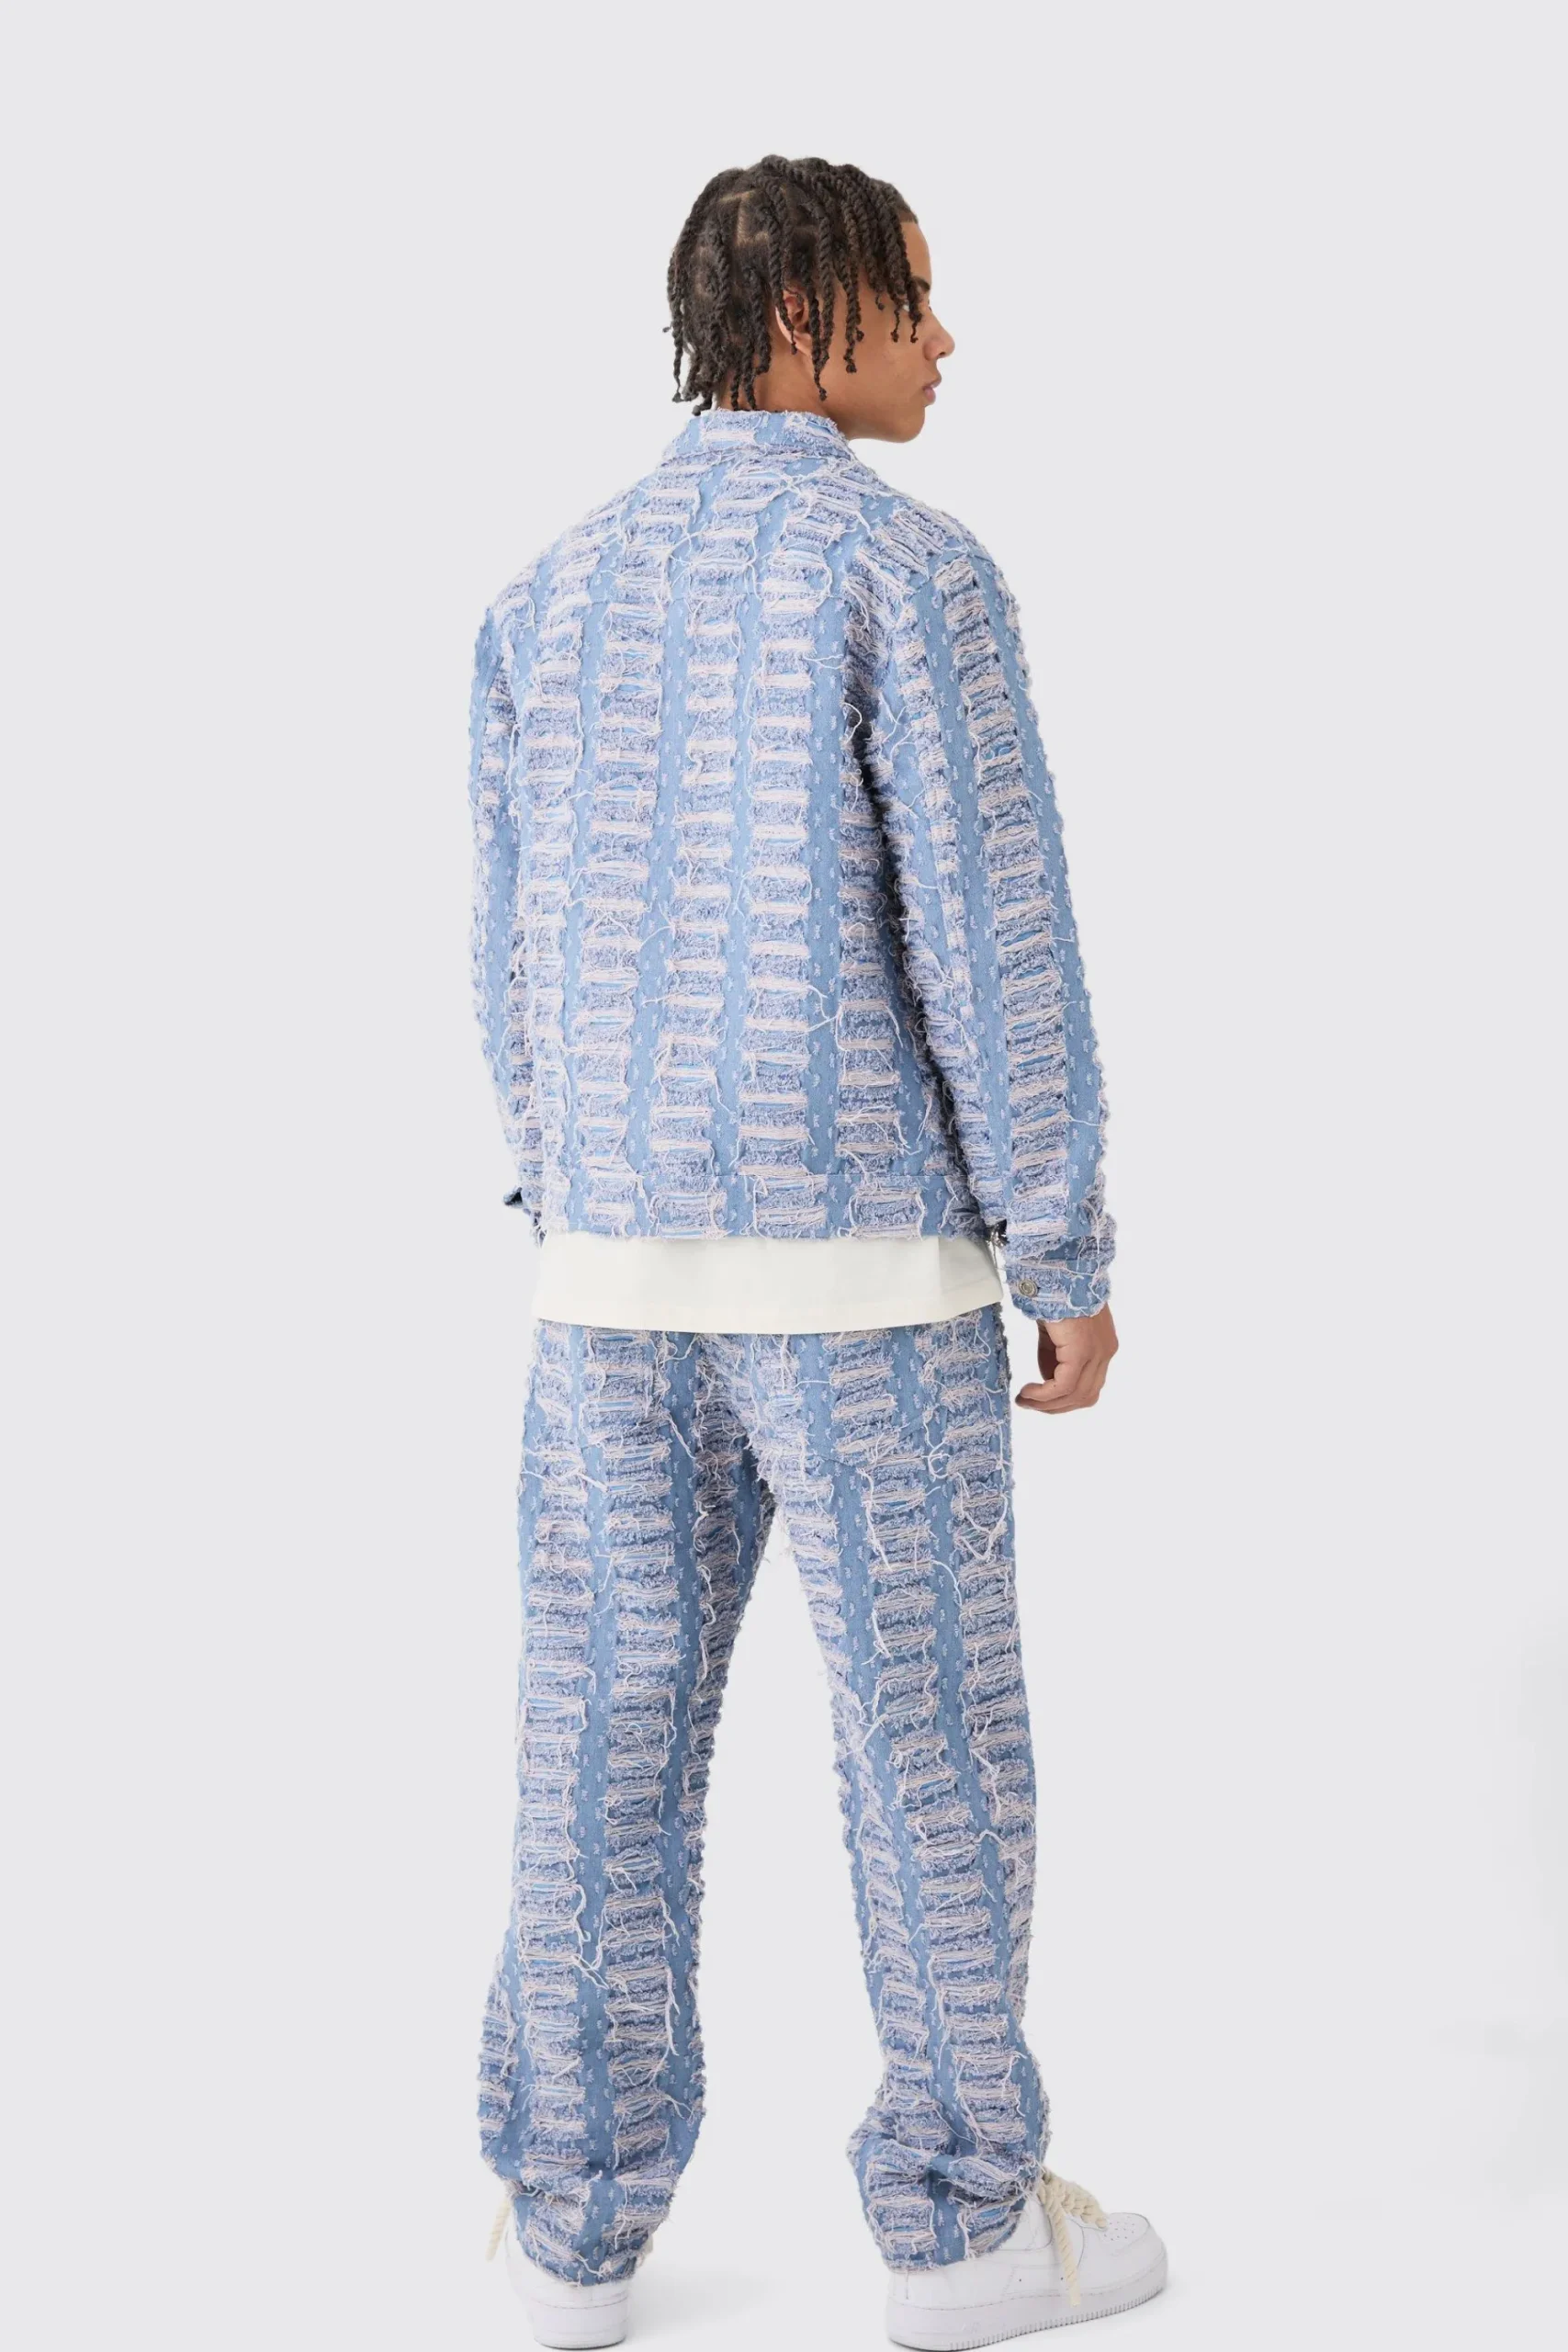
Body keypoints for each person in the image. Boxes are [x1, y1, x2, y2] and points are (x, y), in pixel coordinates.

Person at [467, 154, 1167, 2350]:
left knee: (595, 1748)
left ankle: (565, 2238)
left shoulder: (548, 591)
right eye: (913, 300)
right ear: (801, 316)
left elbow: (507, 947)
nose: (947, 339)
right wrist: (1059, 1241)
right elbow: (993, 934)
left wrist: (572, 1188)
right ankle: (960, 2228)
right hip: (861, 1282)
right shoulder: (909, 572)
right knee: (928, 1745)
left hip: (610, 1288)